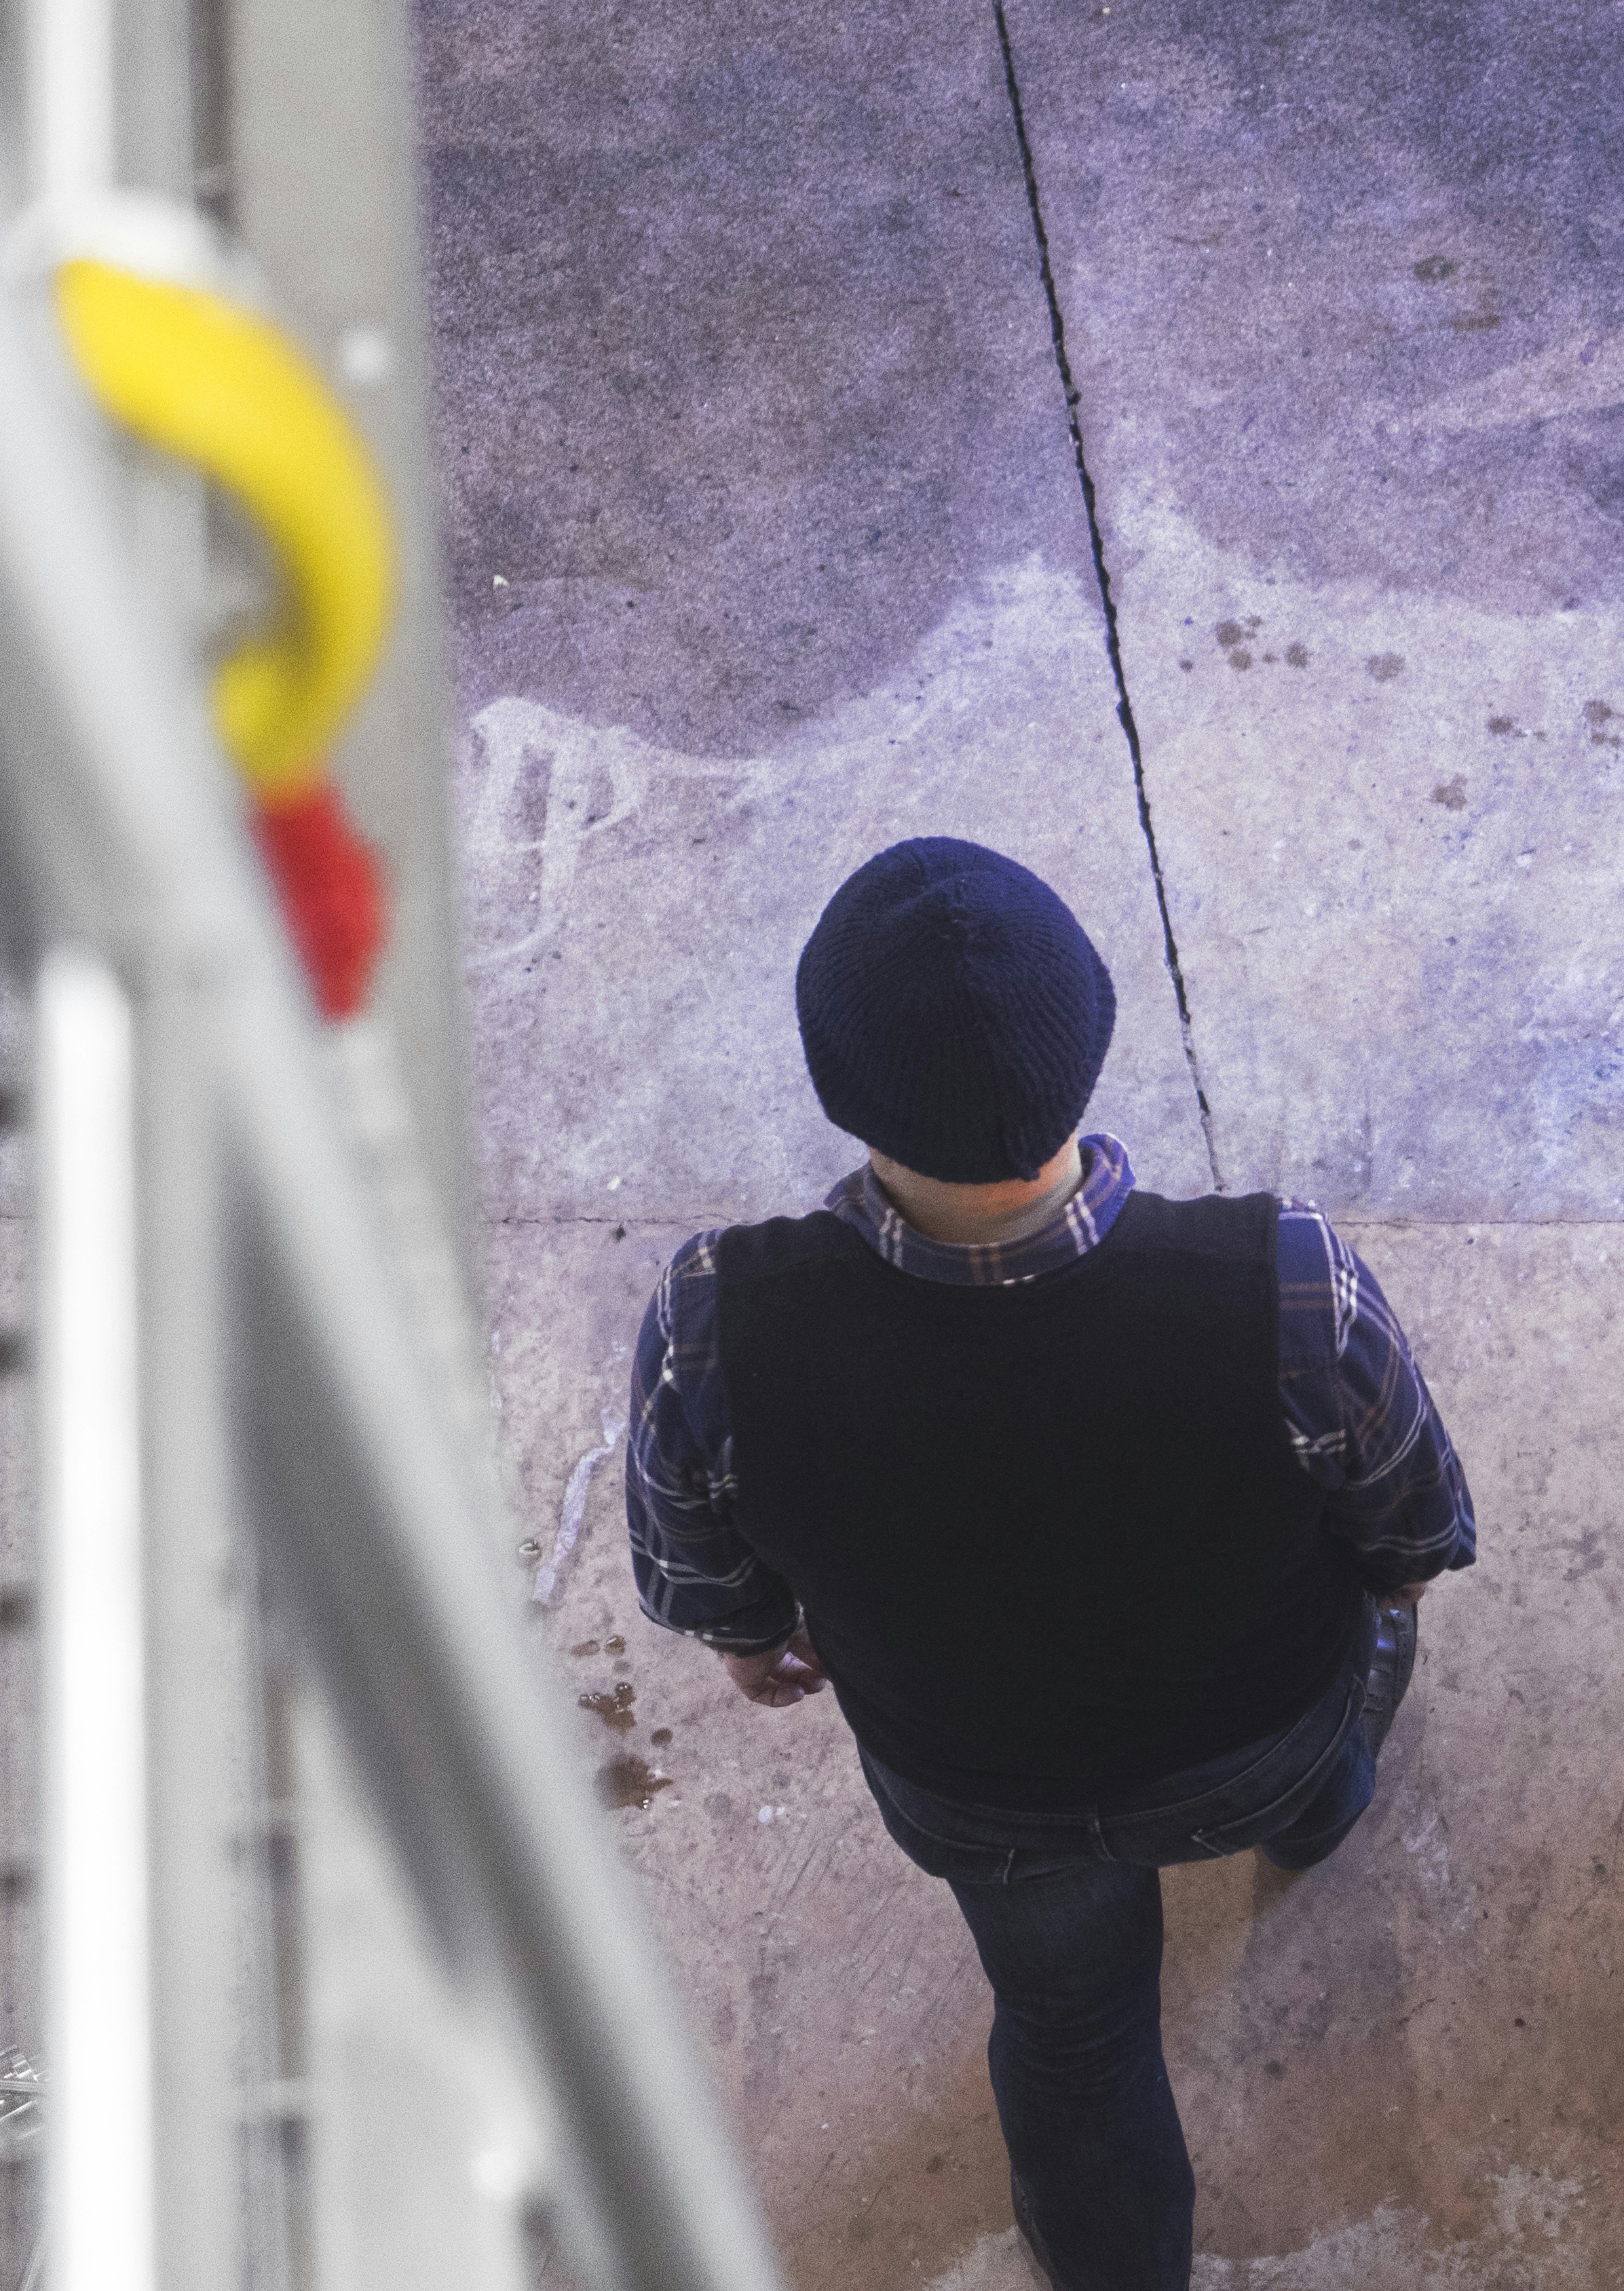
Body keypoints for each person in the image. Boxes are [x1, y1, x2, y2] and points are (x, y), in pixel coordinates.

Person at [624, 837, 1475, 2290]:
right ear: (1091, 1030)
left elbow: (700, 1568)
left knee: (1072, 2034)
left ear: (837, 1081)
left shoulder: (716, 1318)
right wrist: (1383, 1596)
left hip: (977, 1784)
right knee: (1358, 1661)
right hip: (1255, 1730)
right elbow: (1414, 1522)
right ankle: (1320, 1816)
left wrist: (757, 1636)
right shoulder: (1282, 1276)